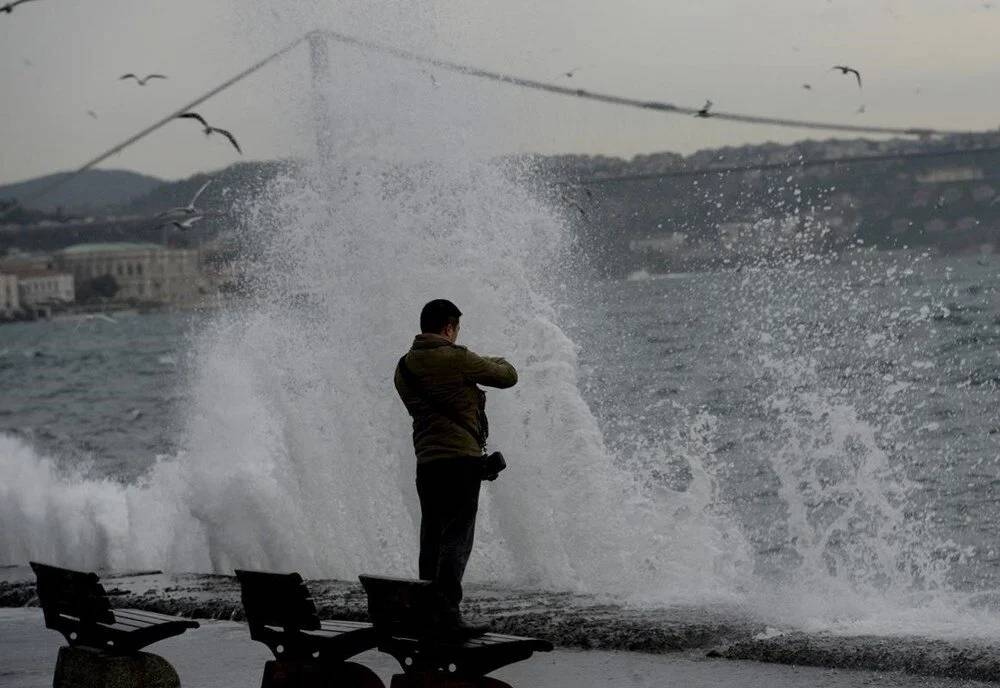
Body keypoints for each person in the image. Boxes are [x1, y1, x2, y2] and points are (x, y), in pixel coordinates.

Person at [394, 298, 518, 637]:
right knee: (457, 537)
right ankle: (448, 613)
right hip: (461, 462)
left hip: (427, 464)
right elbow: (508, 376)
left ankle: (425, 611)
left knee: (432, 536)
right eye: (456, 329)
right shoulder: (459, 358)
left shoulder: (404, 367)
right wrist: (483, 360)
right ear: (449, 328)